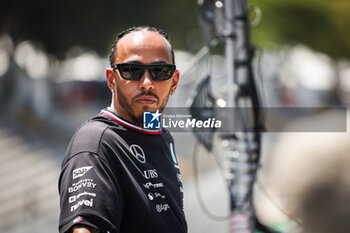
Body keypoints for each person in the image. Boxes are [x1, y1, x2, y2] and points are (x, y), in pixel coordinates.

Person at [58, 26, 187, 233]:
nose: (146, 83)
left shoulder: (161, 134)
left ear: (174, 81)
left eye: (160, 72)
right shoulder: (95, 142)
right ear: (111, 80)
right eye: (132, 71)